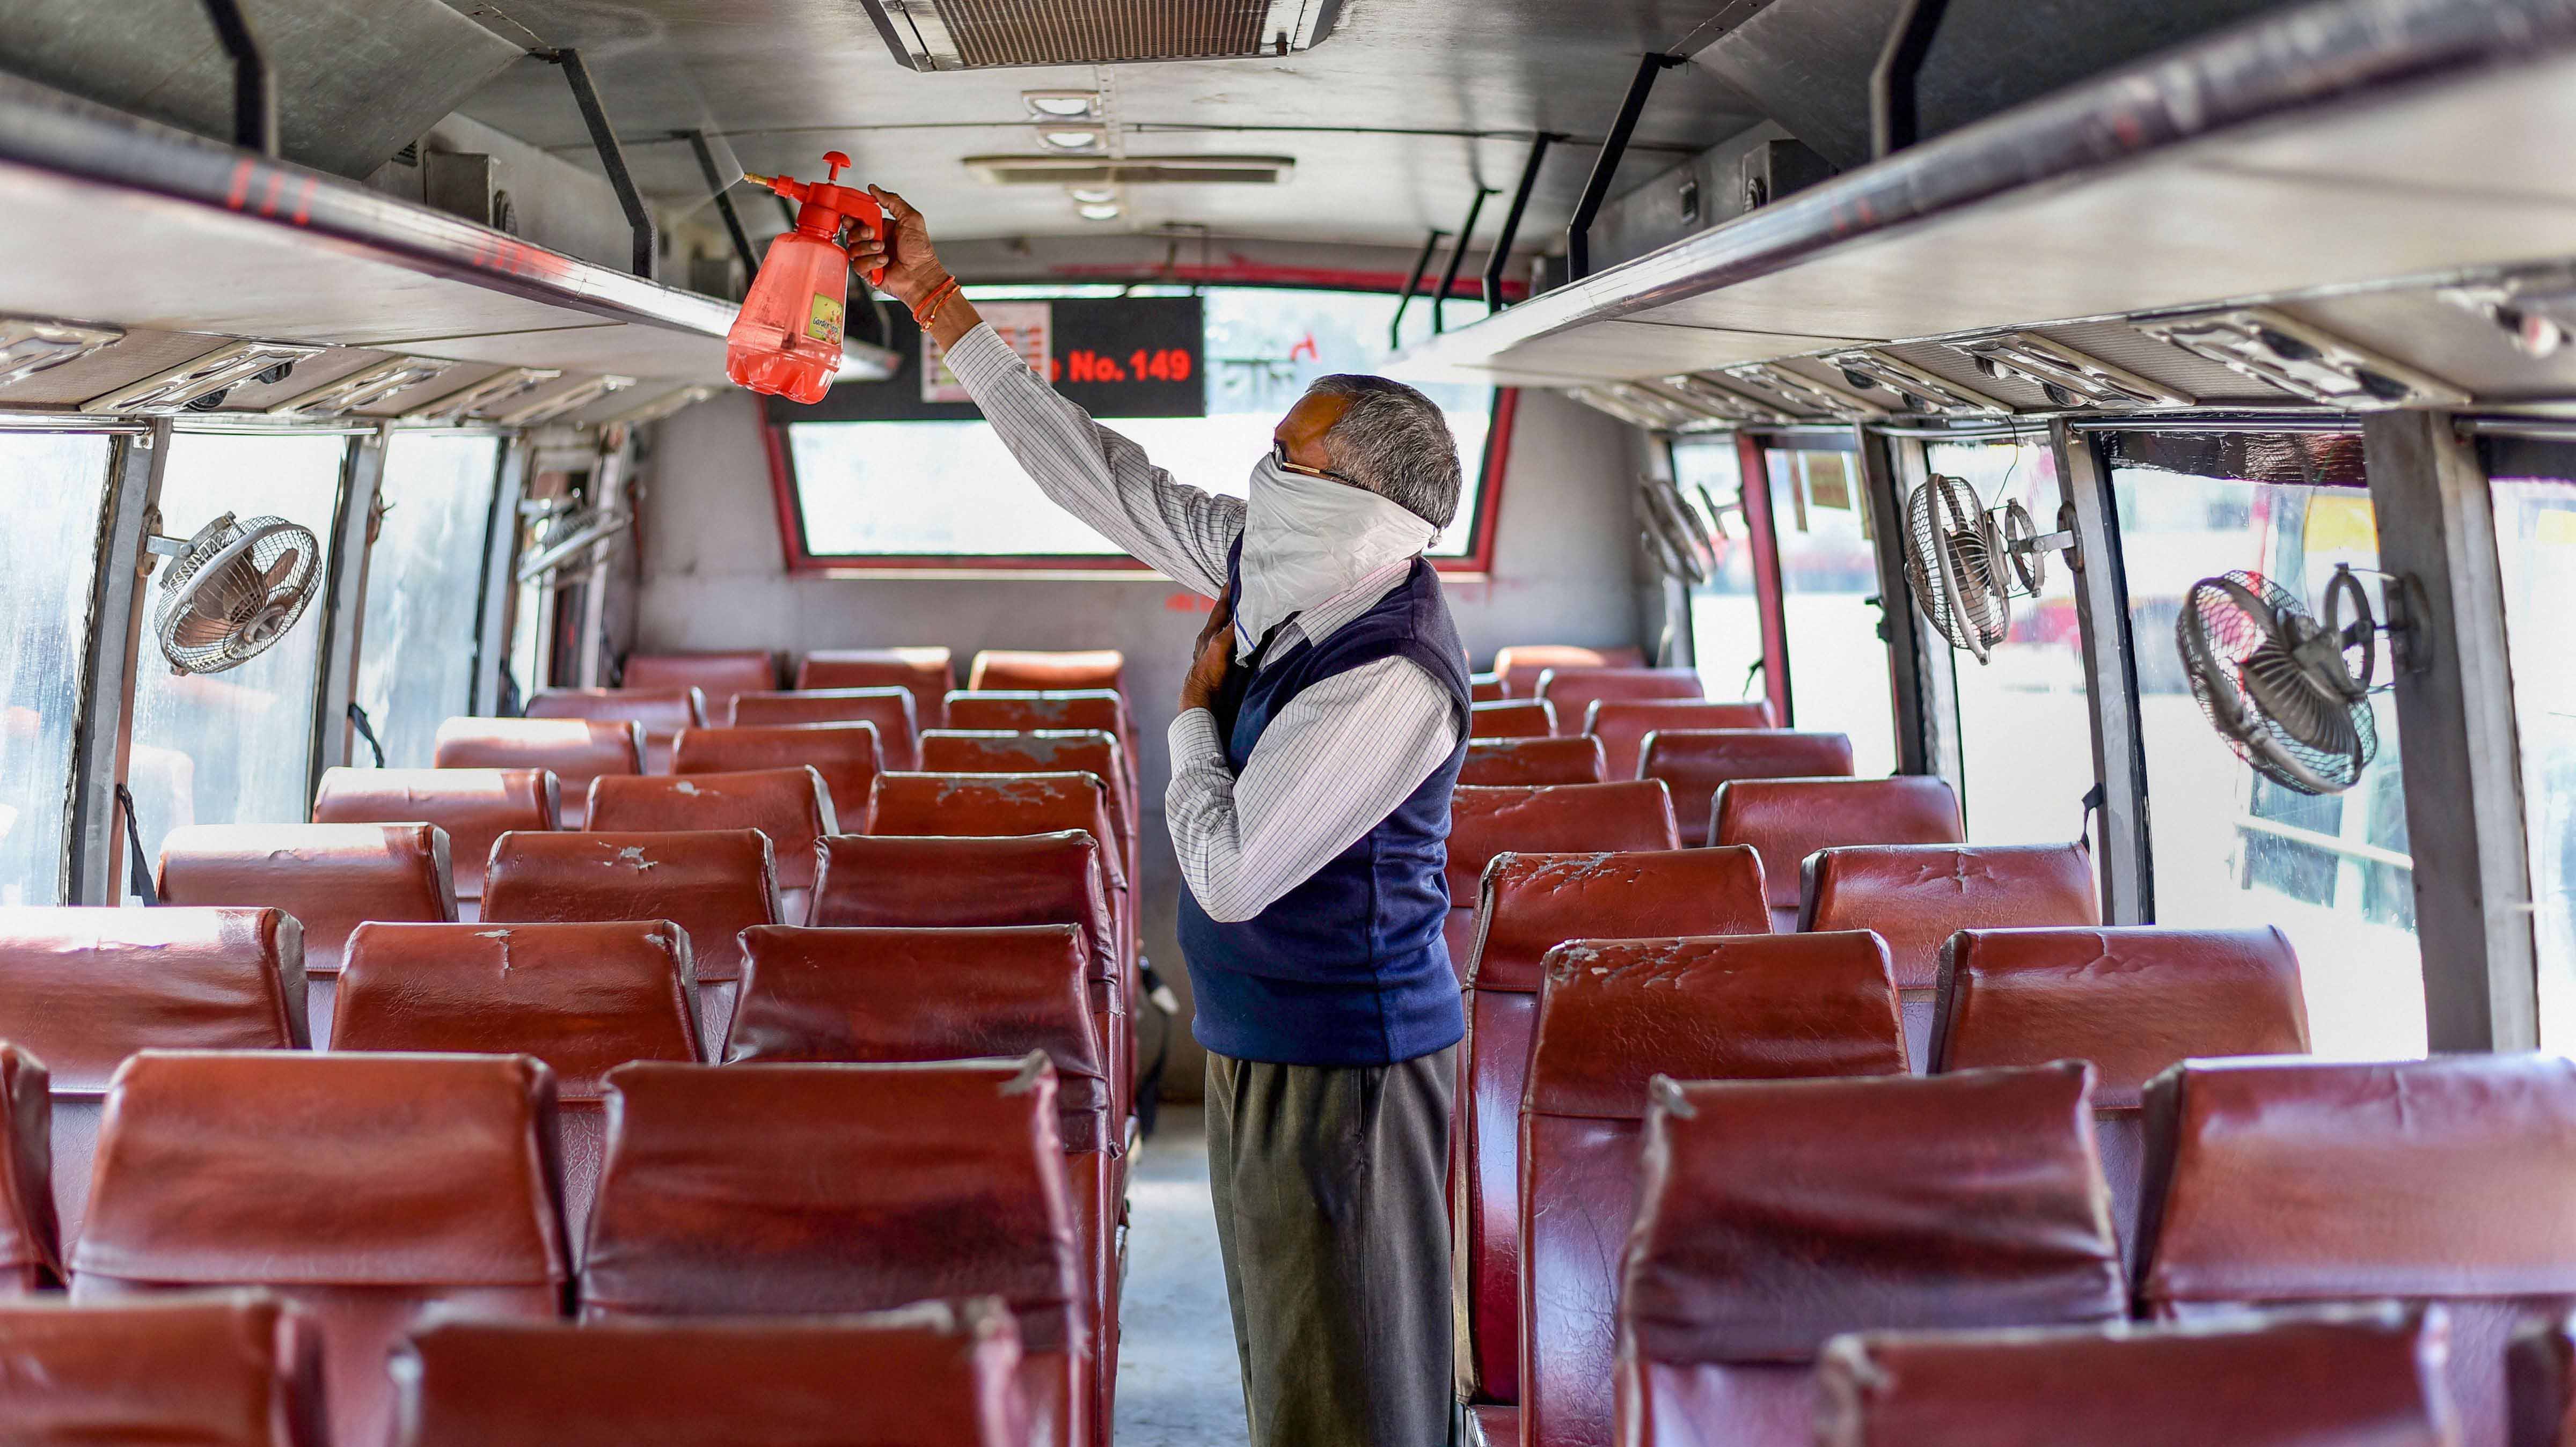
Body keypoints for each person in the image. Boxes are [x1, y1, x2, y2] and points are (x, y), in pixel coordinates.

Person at [855, 188, 1469, 1447]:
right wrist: (937, 302)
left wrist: (1191, 716)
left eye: (1287, 459)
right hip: (1270, 1040)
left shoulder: (1388, 671)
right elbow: (1106, 482)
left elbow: (1233, 869)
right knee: (1295, 1371)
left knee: (1351, 1394)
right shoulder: (1284, 571)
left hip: (1347, 1069)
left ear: (1357, 500)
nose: (1262, 476)